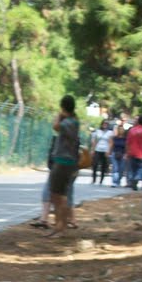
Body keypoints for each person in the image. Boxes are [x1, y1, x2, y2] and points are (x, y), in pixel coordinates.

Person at [46, 95, 79, 238]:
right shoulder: (75, 122)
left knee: (56, 195)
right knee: (63, 196)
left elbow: (55, 126)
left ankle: (60, 227)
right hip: (71, 162)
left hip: (61, 162)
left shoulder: (66, 123)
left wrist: (59, 115)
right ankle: (60, 226)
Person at [125, 115, 142, 191]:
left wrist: (127, 152)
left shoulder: (131, 130)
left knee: (133, 168)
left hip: (132, 152)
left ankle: (133, 181)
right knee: (141, 168)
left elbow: (128, 143)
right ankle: (137, 178)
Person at [90, 118, 114, 184]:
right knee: (95, 164)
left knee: (103, 165)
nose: (105, 125)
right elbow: (94, 141)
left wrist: (108, 151)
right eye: (104, 123)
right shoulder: (97, 131)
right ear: (101, 124)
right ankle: (94, 179)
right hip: (97, 149)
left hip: (105, 150)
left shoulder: (110, 132)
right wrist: (92, 150)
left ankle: (101, 179)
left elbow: (111, 142)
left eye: (106, 124)